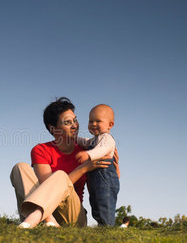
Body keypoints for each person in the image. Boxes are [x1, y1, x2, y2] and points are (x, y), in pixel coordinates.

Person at [10, 97, 118, 228]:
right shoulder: (41, 150)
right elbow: (47, 186)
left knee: (60, 175)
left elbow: (105, 181)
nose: (75, 125)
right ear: (53, 128)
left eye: (75, 120)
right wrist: (83, 168)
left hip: (71, 215)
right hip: (47, 208)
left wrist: (113, 164)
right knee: (20, 168)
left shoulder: (86, 151)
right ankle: (48, 219)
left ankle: (37, 217)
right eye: (68, 122)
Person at [75, 104, 120, 226]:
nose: (93, 124)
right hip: (96, 179)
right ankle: (101, 223)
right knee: (94, 201)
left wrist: (88, 155)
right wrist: (74, 137)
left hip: (106, 178)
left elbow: (101, 150)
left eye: (98, 121)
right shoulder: (94, 140)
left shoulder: (107, 139)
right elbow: (84, 142)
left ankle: (108, 225)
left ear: (110, 125)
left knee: (105, 201)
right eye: (91, 121)